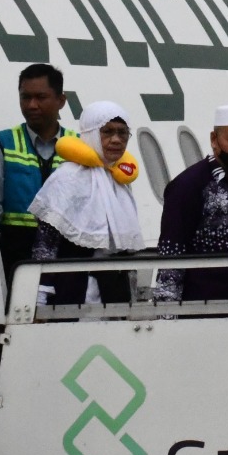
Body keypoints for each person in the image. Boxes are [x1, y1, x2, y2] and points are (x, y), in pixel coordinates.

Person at [26, 101, 143, 306]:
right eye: (107, 132)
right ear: (90, 134)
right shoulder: (67, 178)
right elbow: (46, 244)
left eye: (123, 133)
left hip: (114, 294)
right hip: (72, 291)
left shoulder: (119, 180)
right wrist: (39, 297)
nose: (116, 140)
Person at [152, 104, 228, 304]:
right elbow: (171, 254)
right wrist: (167, 319)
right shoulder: (187, 186)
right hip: (202, 309)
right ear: (214, 140)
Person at [0, 63, 76, 289]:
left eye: (41, 97)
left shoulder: (79, 147)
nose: (32, 105)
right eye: (25, 97)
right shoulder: (1, 144)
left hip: (66, 259)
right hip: (17, 259)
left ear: (61, 101)